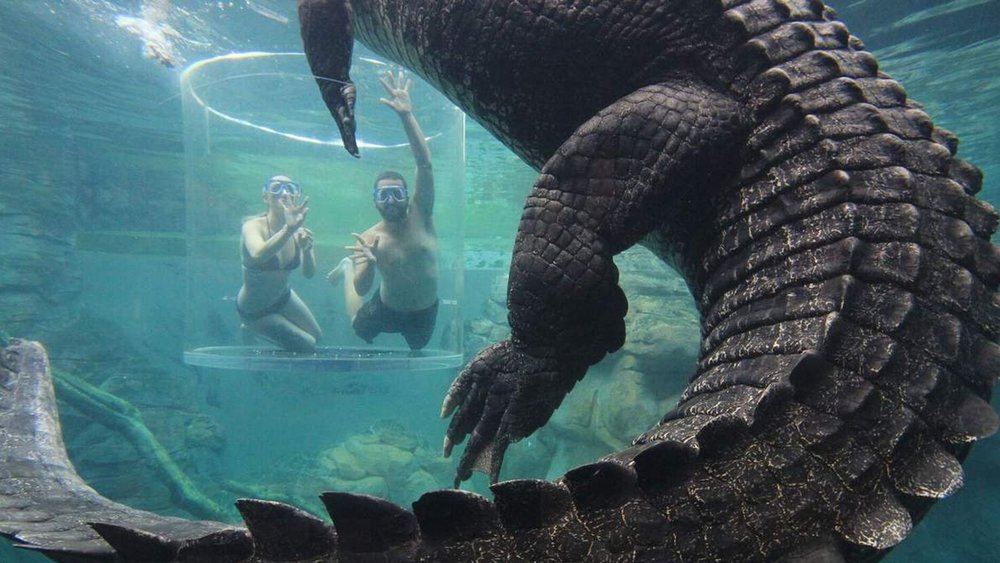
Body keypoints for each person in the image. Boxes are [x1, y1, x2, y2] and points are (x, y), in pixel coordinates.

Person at [328, 71, 438, 351]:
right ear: (375, 201)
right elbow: (363, 289)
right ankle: (345, 267)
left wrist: (406, 115)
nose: (390, 200)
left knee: (419, 347)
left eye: (397, 193)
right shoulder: (368, 238)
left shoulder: (421, 214)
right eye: (383, 195)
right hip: (385, 307)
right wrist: (370, 263)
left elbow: (424, 164)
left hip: (424, 311)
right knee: (357, 327)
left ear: (407, 196)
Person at [237, 175, 322, 352]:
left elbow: (309, 273)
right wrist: (288, 229)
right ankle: (251, 326)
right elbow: (258, 254)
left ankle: (264, 329)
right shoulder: (252, 226)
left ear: (296, 196)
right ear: (265, 196)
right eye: (276, 187)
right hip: (255, 310)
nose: (284, 192)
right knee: (308, 345)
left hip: (283, 298)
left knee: (318, 337)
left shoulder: (299, 232)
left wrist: (306, 251)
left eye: (290, 189)